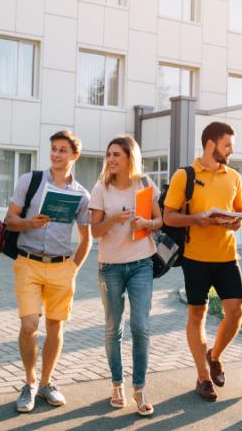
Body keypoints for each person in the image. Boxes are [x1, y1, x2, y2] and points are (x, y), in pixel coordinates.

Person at [5, 130, 92, 413]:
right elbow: (9, 220)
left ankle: (46, 383)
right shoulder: (29, 181)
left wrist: (73, 268)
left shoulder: (81, 194)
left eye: (62, 150)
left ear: (74, 156)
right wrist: (30, 223)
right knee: (29, 325)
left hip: (61, 267)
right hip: (28, 262)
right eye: (53, 149)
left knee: (55, 326)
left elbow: (86, 237)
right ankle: (29, 383)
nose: (56, 154)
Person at [163, 121, 242, 402]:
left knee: (236, 313)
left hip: (226, 256)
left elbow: (239, 211)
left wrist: (235, 223)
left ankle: (215, 355)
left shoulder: (233, 176)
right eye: (227, 145)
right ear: (211, 145)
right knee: (196, 315)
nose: (231, 150)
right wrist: (195, 219)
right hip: (195, 258)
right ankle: (202, 377)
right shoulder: (183, 176)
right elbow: (168, 216)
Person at [89, 135, 162, 416]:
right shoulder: (101, 188)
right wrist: (112, 220)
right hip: (111, 266)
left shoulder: (144, 183)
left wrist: (145, 223)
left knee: (141, 326)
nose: (111, 159)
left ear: (130, 157)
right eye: (109, 154)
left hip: (141, 263)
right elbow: (94, 231)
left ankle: (140, 388)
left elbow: (160, 220)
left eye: (116, 154)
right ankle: (117, 383)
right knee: (113, 327)